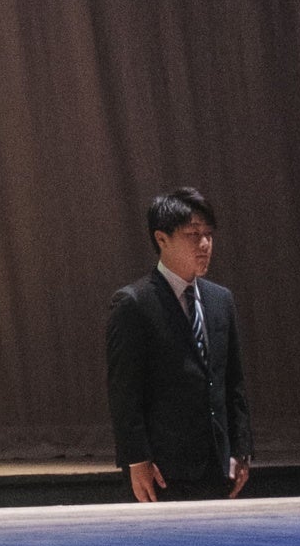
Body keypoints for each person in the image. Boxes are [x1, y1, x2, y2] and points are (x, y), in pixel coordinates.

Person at [106, 186, 251, 501]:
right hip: (163, 470)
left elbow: (233, 382)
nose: (204, 244)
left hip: (217, 466)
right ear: (162, 239)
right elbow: (124, 393)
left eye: (208, 234)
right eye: (193, 234)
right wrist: (137, 459)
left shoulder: (220, 299)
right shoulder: (134, 303)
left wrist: (241, 449)